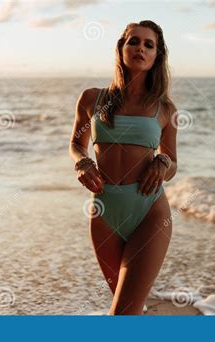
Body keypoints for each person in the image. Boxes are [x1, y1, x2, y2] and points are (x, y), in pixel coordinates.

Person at [69, 20, 178, 315]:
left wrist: (163, 161)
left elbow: (173, 162)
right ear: (121, 48)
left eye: (149, 44)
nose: (140, 48)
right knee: (128, 307)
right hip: (103, 212)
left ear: (157, 56)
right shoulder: (92, 98)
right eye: (133, 41)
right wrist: (81, 162)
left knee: (122, 315)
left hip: (149, 211)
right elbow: (76, 144)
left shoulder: (165, 108)